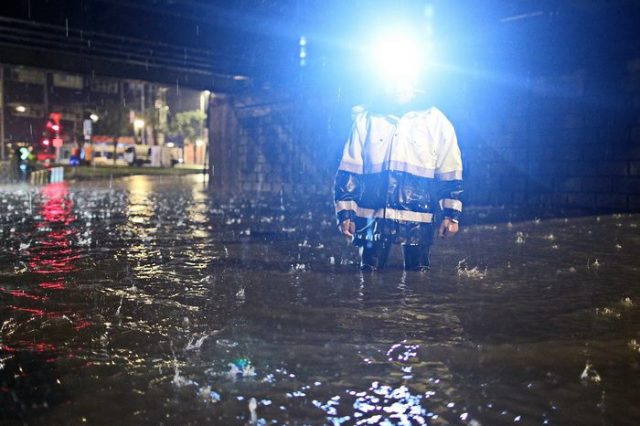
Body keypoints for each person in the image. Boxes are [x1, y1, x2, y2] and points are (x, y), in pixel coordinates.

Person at [334, 85, 463, 271]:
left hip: (418, 219)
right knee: (368, 276)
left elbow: (450, 170)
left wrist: (451, 215)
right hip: (373, 218)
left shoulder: (436, 121)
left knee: (419, 278)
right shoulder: (366, 120)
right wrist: (345, 213)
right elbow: (350, 170)